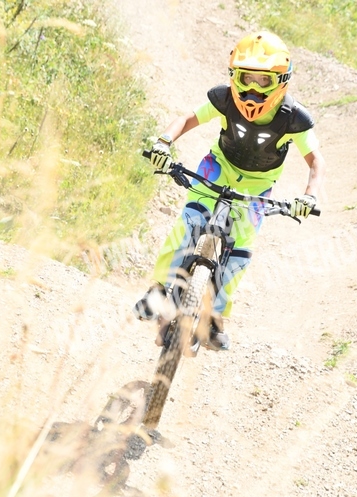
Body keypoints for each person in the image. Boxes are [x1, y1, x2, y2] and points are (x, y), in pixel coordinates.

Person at [134, 31, 325, 351]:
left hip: (258, 185)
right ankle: (158, 291)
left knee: (241, 249)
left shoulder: (294, 119)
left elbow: (316, 160)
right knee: (189, 222)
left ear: (281, 81)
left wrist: (310, 196)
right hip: (217, 168)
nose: (252, 90)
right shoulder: (224, 99)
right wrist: (163, 143)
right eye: (246, 78)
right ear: (233, 76)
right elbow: (187, 118)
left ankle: (214, 317)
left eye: (263, 82)